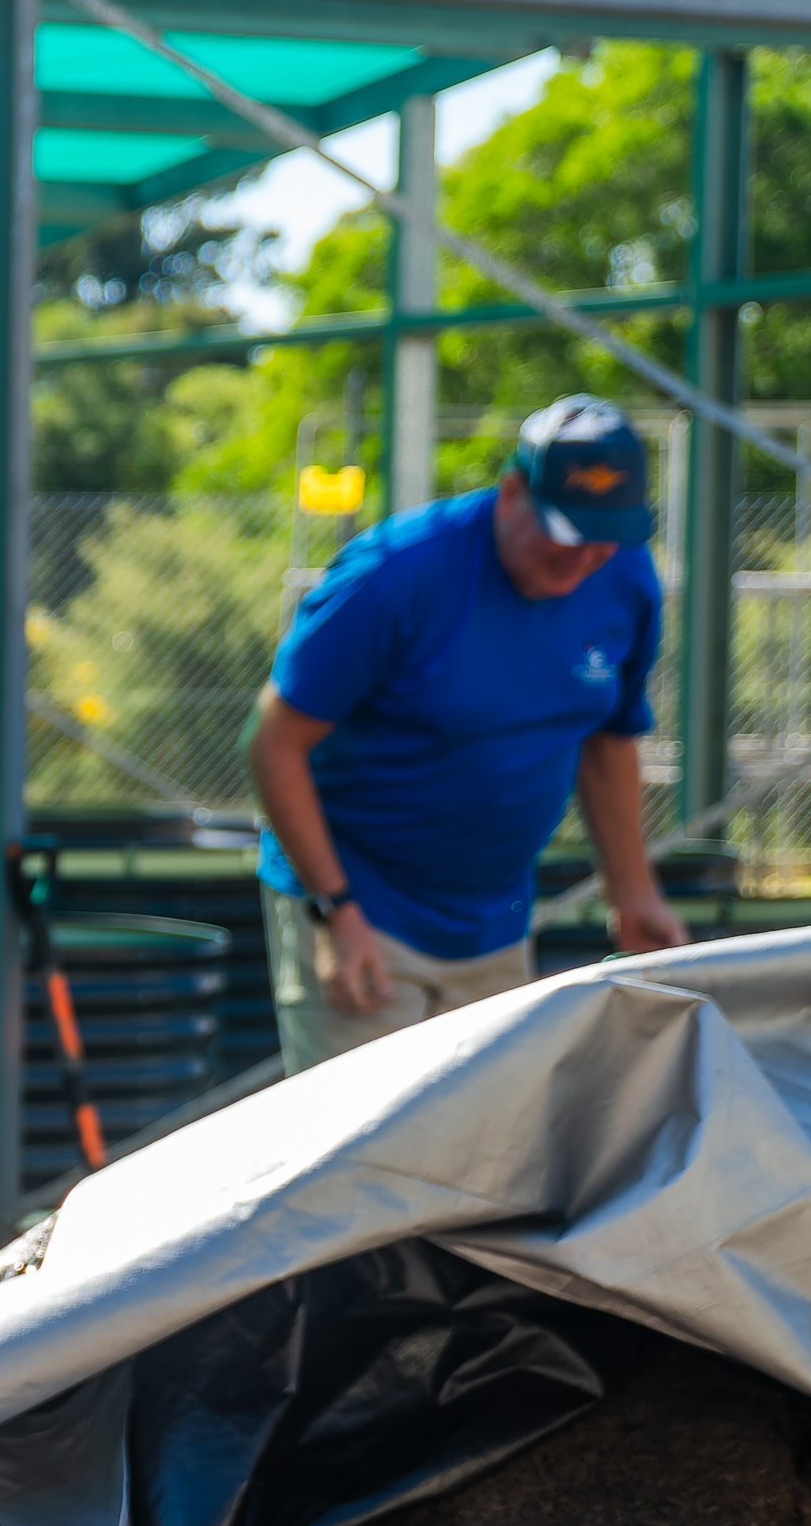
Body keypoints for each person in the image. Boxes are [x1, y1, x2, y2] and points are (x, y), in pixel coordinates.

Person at [248, 395, 694, 1072]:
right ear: (512, 492)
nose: (582, 558)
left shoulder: (624, 577)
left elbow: (608, 738)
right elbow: (274, 741)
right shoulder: (397, 574)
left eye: (606, 538)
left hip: (493, 918)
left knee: (485, 1148)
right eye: (566, 532)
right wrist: (336, 909)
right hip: (362, 902)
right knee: (368, 1152)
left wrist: (632, 890)